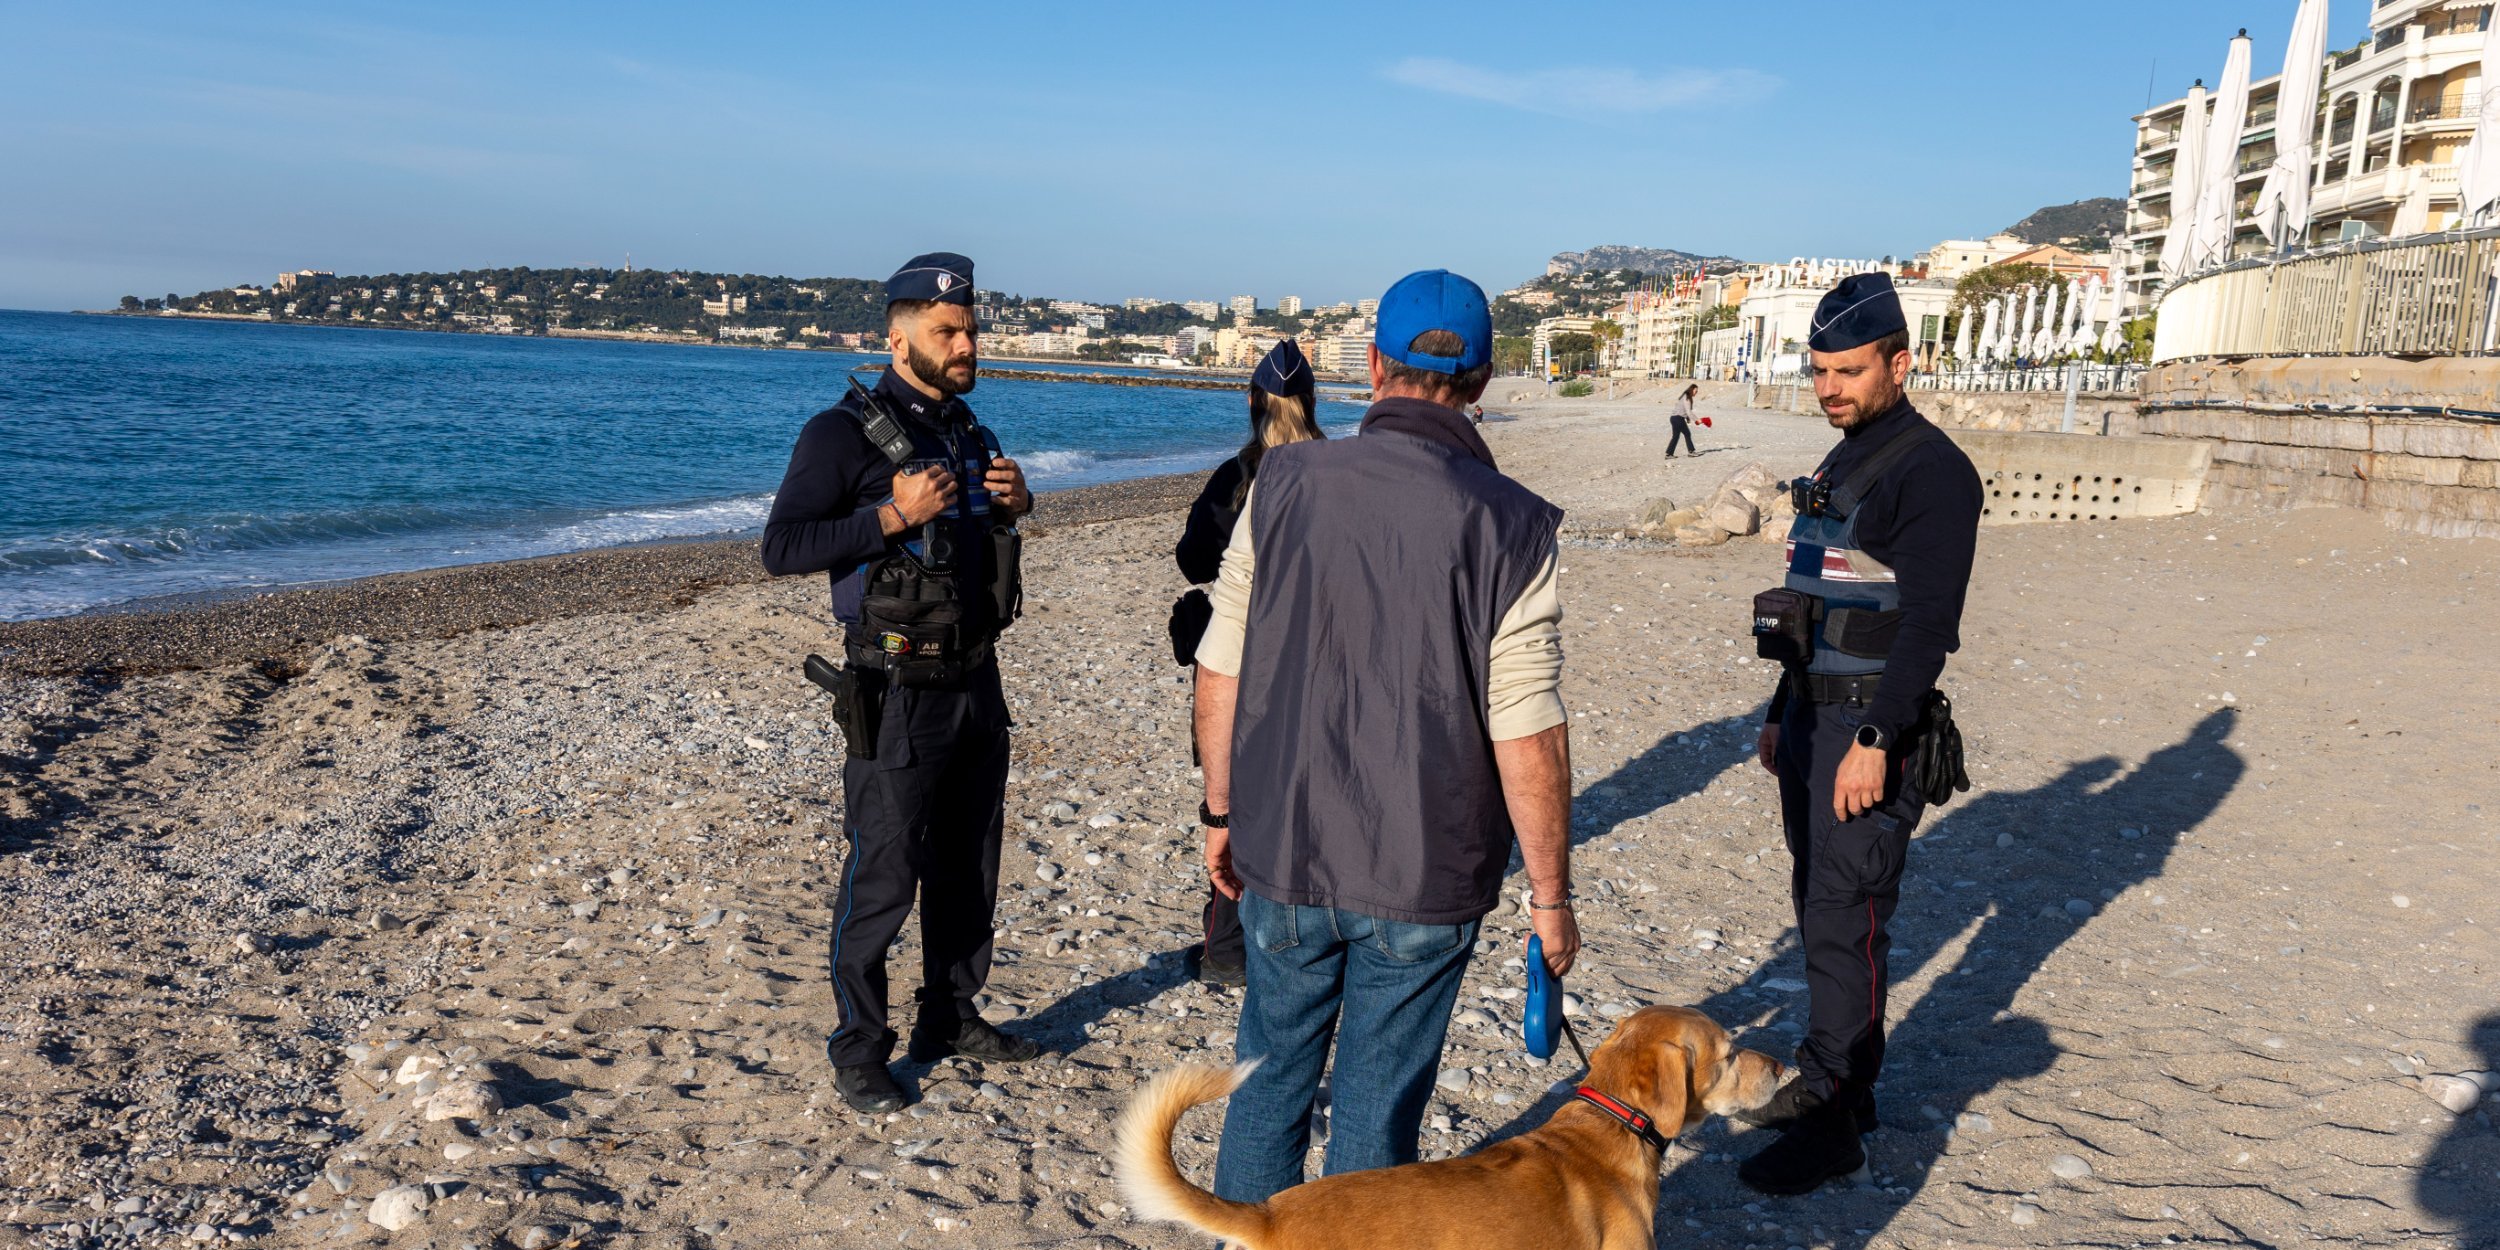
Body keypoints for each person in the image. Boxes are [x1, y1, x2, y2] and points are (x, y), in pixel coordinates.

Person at [1192, 269, 1580, 1202]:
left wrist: (1218, 811)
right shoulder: (1513, 522)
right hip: (1423, 870)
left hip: (1285, 842)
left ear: (1371, 366)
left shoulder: (1281, 480)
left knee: (1268, 1078)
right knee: (1377, 1106)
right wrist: (1551, 897)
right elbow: (1527, 729)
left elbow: (1221, 667)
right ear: (1481, 382)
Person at [760, 251, 1043, 1115]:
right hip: (894, 689)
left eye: (969, 330)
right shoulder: (840, 433)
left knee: (970, 864)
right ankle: (859, 1047)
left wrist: (1018, 504)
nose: (965, 344)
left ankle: (950, 1016)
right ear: (896, 337)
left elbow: (980, 541)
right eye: (946, 332)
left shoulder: (969, 431)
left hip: (975, 679)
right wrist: (890, 516)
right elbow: (781, 549)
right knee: (883, 873)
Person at [1739, 273, 1983, 1194]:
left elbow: (1929, 625)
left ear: (1899, 362)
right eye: (1819, 371)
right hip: (1813, 713)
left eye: (1848, 370)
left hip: (1867, 722)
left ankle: (1833, 1114)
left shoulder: (1930, 471)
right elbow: (1811, 600)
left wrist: (1877, 739)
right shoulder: (1845, 457)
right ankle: (1849, 1087)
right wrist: (1778, 713)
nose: (1830, 387)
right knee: (1820, 905)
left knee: (1848, 917)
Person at [1168, 339, 1326, 989]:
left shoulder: (1237, 477)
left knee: (1229, 801)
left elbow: (1194, 561)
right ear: (1312, 402)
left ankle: (1226, 946)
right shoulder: (1336, 472)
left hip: (1243, 660)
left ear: (1252, 401)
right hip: (1317, 666)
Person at [1666, 383, 1701, 458]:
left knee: (1675, 436)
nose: (1696, 392)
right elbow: (1688, 412)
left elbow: (1684, 410)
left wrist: (1687, 418)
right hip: (1678, 418)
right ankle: (1691, 451)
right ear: (1692, 389)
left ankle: (1669, 454)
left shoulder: (1686, 397)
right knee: (1687, 433)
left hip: (1674, 418)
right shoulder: (1687, 398)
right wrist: (1697, 420)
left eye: (1697, 391)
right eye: (1695, 390)